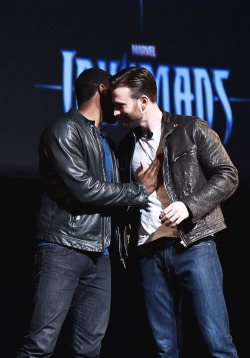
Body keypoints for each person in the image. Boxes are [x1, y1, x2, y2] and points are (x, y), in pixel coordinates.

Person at [15, 67, 160, 358]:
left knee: (89, 350)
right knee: (39, 345)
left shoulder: (106, 140)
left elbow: (110, 198)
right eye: (115, 97)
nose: (120, 109)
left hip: (99, 254)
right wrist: (138, 190)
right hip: (62, 247)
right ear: (103, 91)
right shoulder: (63, 129)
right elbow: (84, 189)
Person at [109, 66, 239, 358]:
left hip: (193, 245)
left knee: (217, 341)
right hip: (148, 253)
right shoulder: (126, 146)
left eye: (120, 106)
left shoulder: (191, 128)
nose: (114, 113)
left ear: (143, 102)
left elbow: (228, 175)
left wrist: (189, 205)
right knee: (164, 348)